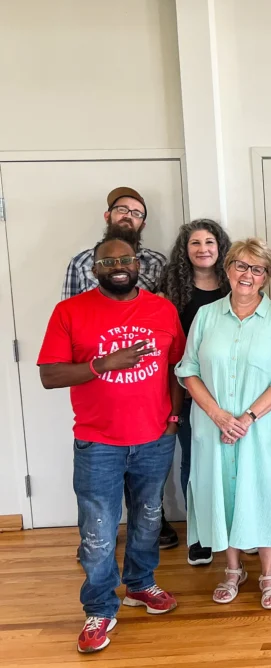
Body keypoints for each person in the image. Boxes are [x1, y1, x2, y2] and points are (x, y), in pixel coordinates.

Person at [38, 231, 184, 653]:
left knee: (149, 519)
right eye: (107, 262)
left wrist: (173, 419)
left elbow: (178, 366)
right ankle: (99, 607)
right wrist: (103, 364)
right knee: (98, 530)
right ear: (94, 269)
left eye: (125, 260)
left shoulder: (161, 309)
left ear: (138, 264)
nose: (118, 267)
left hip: (155, 437)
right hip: (97, 441)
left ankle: (140, 585)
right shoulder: (70, 311)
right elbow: (50, 375)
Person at [175, 238, 271, 610]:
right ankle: (231, 569)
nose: (248, 275)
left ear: (266, 277)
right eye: (241, 266)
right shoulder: (207, 316)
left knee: (260, 489)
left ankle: (268, 571)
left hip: (259, 428)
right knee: (220, 492)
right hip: (211, 426)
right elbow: (188, 370)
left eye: (256, 269)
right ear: (227, 270)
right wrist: (217, 415)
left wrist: (246, 418)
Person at [62, 186, 175, 549]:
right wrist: (104, 362)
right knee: (99, 504)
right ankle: (98, 550)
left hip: (149, 405)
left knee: (147, 496)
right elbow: (70, 329)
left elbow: (168, 335)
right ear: (108, 215)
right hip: (99, 405)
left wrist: (173, 412)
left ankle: (143, 563)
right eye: (122, 209)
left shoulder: (157, 262)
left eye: (137, 212)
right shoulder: (81, 263)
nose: (129, 216)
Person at [159, 219, 232, 567]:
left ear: (220, 248)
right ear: (184, 250)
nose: (203, 248)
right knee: (194, 461)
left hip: (233, 388)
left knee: (235, 460)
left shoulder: (235, 284)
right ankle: (200, 534)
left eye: (209, 242)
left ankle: (237, 528)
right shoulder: (172, 289)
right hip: (188, 389)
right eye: (195, 243)